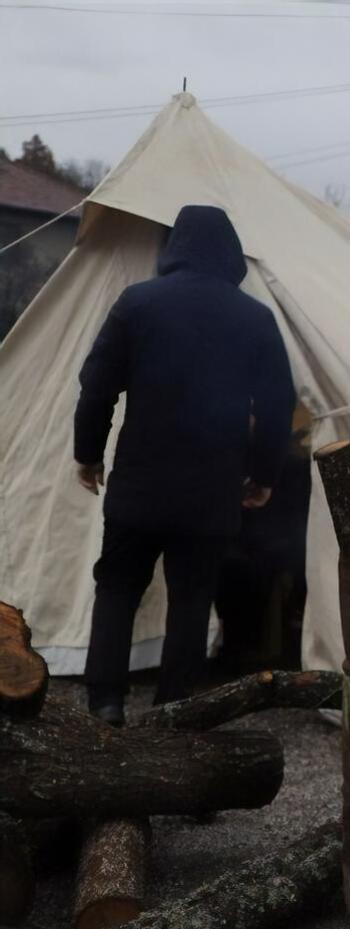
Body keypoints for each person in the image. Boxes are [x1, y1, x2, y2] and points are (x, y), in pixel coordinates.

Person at [74, 205, 295, 724]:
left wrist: (87, 453)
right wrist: (264, 477)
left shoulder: (138, 303)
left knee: (118, 588)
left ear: (175, 248)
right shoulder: (254, 318)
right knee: (192, 600)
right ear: (230, 254)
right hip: (210, 490)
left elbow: (97, 387)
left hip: (139, 484)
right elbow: (278, 405)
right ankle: (174, 715)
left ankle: (106, 703)